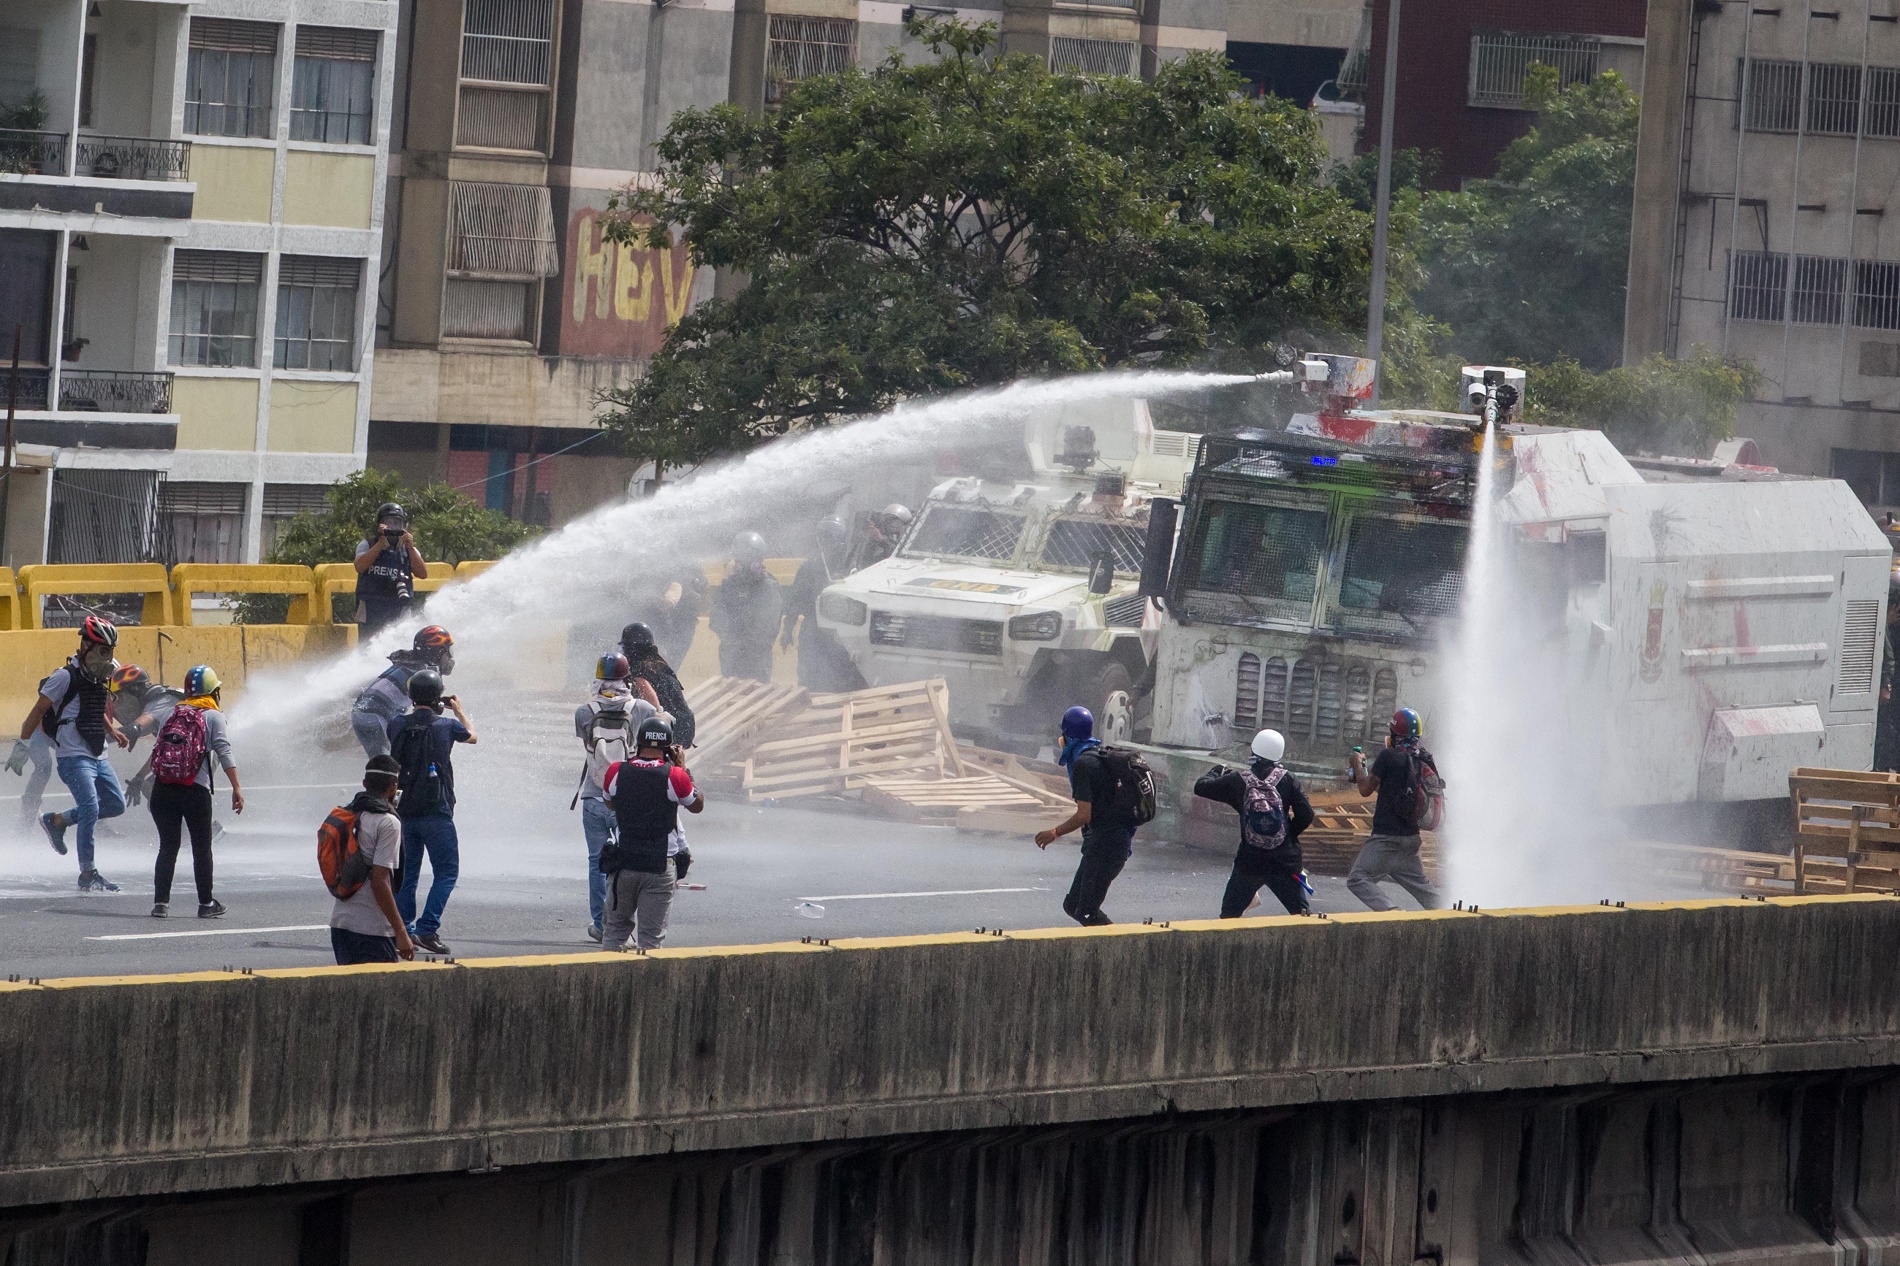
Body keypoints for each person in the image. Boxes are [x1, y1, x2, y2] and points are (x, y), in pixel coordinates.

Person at [14, 617, 129, 891]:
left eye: (109, 650)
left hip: (98, 754)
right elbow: (38, 710)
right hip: (73, 757)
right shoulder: (64, 677)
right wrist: (23, 743)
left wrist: (111, 731)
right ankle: (88, 873)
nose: (106, 656)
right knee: (90, 808)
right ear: (86, 645)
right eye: (101, 649)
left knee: (115, 805)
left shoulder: (100, 675)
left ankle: (57, 820)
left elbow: (92, 704)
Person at [387, 667, 477, 955]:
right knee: (447, 872)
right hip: (437, 811)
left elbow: (403, 720)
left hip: (404, 811)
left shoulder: (396, 724)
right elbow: (473, 736)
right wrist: (459, 710)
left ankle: (404, 929)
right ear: (439, 697)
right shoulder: (447, 726)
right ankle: (428, 929)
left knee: (408, 872)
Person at [147, 665, 243, 919]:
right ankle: (206, 904)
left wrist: (141, 778)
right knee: (202, 848)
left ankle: (160, 904)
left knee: (167, 846)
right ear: (213, 691)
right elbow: (224, 751)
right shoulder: (213, 716)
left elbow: (158, 749)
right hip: (194, 791)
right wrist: (236, 787)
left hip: (162, 788)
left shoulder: (172, 712)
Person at [600, 717, 703, 951]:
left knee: (615, 931)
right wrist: (684, 768)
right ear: (668, 747)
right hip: (659, 865)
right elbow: (696, 805)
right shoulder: (675, 776)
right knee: (651, 939)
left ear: (638, 742)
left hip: (624, 863)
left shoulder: (617, 771)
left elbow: (610, 804)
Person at [575, 652, 658, 943]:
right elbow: (662, 733)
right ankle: (624, 927)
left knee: (597, 863)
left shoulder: (584, 711)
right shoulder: (643, 709)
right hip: (628, 799)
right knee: (629, 865)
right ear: (626, 676)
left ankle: (600, 924)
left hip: (594, 797)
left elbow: (588, 744)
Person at [1194, 729, 1315, 917]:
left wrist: (1217, 770)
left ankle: (1229, 946)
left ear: (1253, 751)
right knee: (1301, 915)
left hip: (1250, 862)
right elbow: (1306, 814)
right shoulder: (1288, 779)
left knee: (1229, 916)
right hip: (1285, 861)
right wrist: (1289, 835)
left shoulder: (1238, 781)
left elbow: (1201, 787)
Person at [1035, 705, 1136, 927]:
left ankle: (1120, 948)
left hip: (1107, 846)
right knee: (1073, 906)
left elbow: (1083, 815)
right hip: (1106, 842)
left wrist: (1054, 832)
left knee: (1086, 912)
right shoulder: (1098, 755)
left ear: (1067, 735)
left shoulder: (1083, 764)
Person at [1345, 708, 1444, 912]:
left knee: (1358, 878)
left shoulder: (1389, 756)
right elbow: (1391, 790)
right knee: (1424, 890)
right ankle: (1452, 916)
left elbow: (1365, 789)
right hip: (1410, 839)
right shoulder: (1422, 758)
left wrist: (1358, 765)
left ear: (1393, 732)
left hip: (1386, 838)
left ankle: (1392, 913)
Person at [328, 755, 417, 965]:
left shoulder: (348, 814)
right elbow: (380, 881)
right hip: (372, 930)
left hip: (340, 925)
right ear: (393, 787)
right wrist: (401, 931)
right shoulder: (387, 823)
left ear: (365, 784)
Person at [781, 517, 862, 692]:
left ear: (840, 539)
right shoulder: (809, 567)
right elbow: (795, 600)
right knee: (808, 674)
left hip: (842, 630)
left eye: (831, 537)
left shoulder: (852, 566)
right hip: (813, 626)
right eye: (823, 537)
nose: (826, 542)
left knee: (841, 676)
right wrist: (788, 629)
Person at [350, 625, 456, 757]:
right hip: (375, 716)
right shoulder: (426, 672)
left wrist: (439, 700)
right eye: (447, 652)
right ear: (436, 652)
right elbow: (429, 711)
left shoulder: (408, 662)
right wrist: (443, 705)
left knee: (385, 761)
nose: (449, 657)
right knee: (389, 764)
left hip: (363, 712)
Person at [711, 532, 783, 683]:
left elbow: (770, 624)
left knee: (757, 694)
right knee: (730, 694)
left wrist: (749, 644)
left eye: (749, 558)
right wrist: (728, 638)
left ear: (758, 560)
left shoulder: (769, 586)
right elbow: (717, 615)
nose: (743, 563)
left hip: (757, 655)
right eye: (740, 558)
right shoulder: (728, 585)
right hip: (731, 654)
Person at [354, 502, 429, 635]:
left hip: (399, 606)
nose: (393, 527)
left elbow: (422, 574)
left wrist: (410, 546)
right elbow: (360, 567)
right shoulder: (367, 544)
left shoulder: (408, 549)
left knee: (401, 641)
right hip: (372, 605)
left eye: (397, 523)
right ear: (379, 524)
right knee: (367, 644)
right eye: (388, 522)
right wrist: (380, 543)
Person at [621, 622, 696, 748]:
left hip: (654, 746)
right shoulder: (663, 670)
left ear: (629, 648)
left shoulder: (636, 675)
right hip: (674, 743)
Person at [859, 503, 913, 567]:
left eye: (894, 521)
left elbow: (897, 554)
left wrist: (882, 540)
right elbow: (867, 559)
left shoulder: (909, 543)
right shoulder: (884, 538)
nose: (890, 524)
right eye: (887, 521)